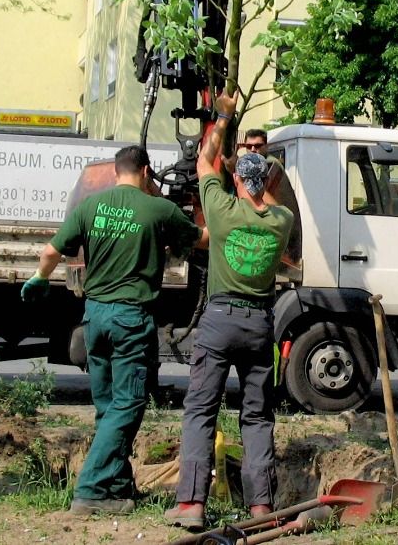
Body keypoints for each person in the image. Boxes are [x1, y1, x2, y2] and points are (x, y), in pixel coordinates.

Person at [22, 146, 201, 516]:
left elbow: (50, 251)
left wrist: (40, 278)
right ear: (147, 171)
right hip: (130, 320)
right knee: (129, 404)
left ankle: (116, 486)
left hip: (94, 318)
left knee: (107, 407)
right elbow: (201, 239)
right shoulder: (159, 209)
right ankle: (89, 489)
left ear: (116, 172)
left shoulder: (90, 207)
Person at [166, 92, 295, 532]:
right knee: (257, 415)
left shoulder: (221, 212)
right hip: (261, 323)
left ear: (238, 181)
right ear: (267, 182)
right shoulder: (281, 221)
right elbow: (273, 191)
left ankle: (192, 504)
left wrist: (223, 116)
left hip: (220, 320)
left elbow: (205, 160)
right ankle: (261, 507)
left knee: (201, 408)